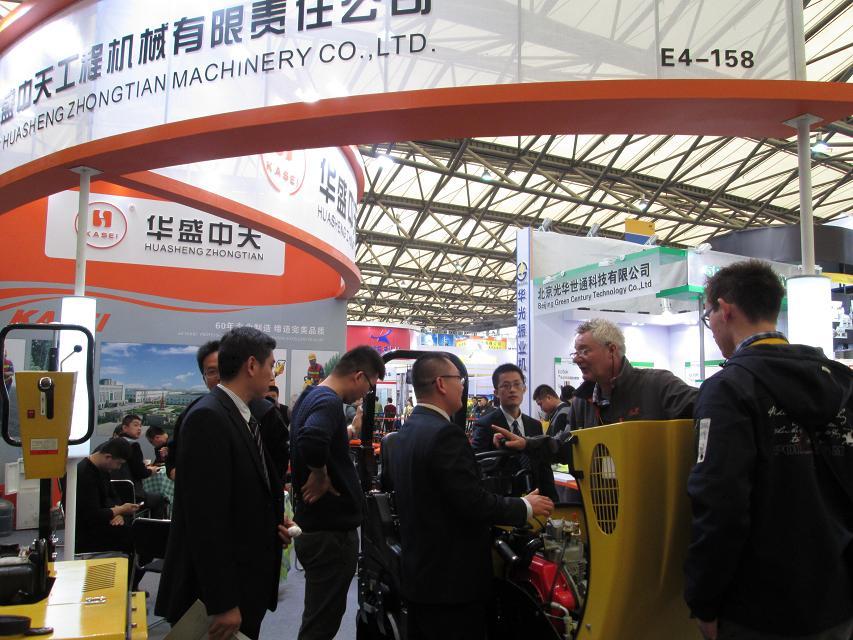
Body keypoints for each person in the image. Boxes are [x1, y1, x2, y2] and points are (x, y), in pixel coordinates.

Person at [684, 260, 853, 640]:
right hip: (838, 599)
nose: (711, 326)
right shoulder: (841, 382)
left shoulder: (728, 389)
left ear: (725, 309)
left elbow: (719, 504)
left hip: (759, 608)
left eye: (708, 316)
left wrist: (703, 599)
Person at [386, 353, 554, 640]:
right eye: (459, 380)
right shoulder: (445, 435)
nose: (463, 386)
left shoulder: (408, 431)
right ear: (441, 384)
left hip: (422, 574)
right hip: (451, 582)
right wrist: (525, 506)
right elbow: (472, 501)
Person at [156, 327, 294, 640]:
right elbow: (206, 520)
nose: (272, 374)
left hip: (246, 581)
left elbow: (241, 495)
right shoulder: (208, 417)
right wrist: (223, 602)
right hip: (219, 598)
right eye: (270, 365)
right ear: (251, 365)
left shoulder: (240, 415)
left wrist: (272, 525)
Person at [290, 345, 386, 640]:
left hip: (318, 529)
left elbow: (321, 437)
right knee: (321, 624)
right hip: (329, 534)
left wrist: (350, 431)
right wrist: (319, 474)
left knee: (320, 616)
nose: (365, 394)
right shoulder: (328, 400)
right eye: (369, 386)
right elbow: (312, 438)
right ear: (359, 376)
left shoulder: (311, 395)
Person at [567, 318, 696, 428]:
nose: (576, 359)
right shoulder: (581, 404)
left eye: (584, 351)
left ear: (611, 350)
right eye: (576, 353)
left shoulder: (658, 385)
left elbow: (702, 405)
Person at [471, 364, 556, 501]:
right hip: (504, 501)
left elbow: (543, 466)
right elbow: (477, 466)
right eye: (505, 385)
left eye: (517, 384)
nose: (512, 390)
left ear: (524, 389)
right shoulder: (485, 425)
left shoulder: (535, 425)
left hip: (536, 497)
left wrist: (553, 499)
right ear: (496, 392)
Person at [72, 438, 141, 586]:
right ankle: (128, 586)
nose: (118, 468)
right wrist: (119, 510)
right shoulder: (84, 475)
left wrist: (118, 513)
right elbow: (91, 515)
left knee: (139, 534)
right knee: (139, 539)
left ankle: (129, 585)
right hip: (87, 532)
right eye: (119, 463)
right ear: (108, 457)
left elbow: (113, 497)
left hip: (102, 522)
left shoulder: (102, 470)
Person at [165, 340, 220, 480]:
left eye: (225, 369)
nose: (220, 377)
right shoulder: (192, 411)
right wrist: (175, 471)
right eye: (212, 372)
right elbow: (172, 456)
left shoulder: (256, 411)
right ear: (204, 379)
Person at [111, 414, 166, 518]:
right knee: (159, 498)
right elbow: (141, 473)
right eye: (136, 425)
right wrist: (152, 470)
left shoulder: (108, 445)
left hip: (111, 496)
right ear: (124, 428)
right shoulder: (133, 445)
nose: (139, 428)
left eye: (140, 426)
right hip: (131, 496)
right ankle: (154, 526)